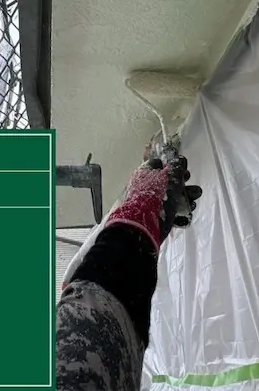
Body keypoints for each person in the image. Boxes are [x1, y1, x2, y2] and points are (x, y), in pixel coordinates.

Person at [56, 155, 203, 391]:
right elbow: (81, 355)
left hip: (125, 336)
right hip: (111, 323)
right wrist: (138, 215)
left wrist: (141, 224)